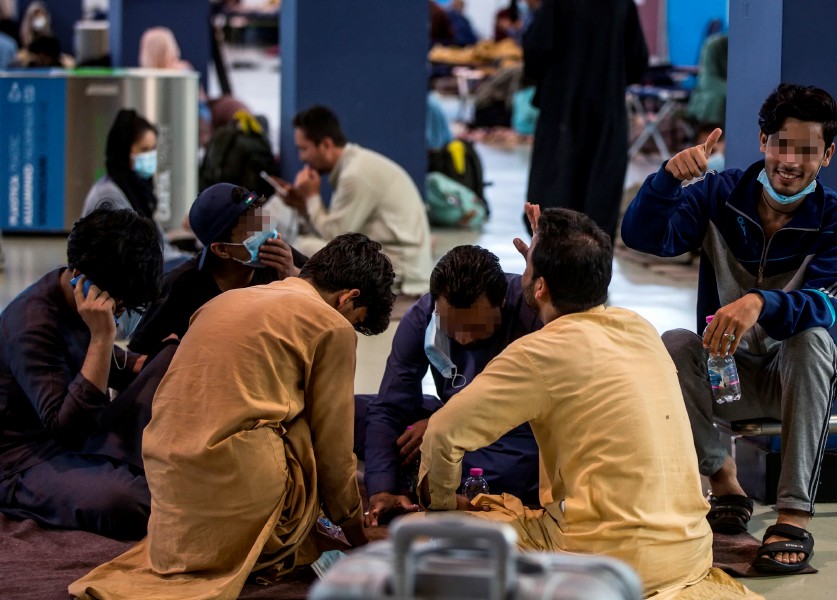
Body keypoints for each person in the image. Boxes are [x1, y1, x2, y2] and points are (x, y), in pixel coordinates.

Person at [418, 206, 759, 598]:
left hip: (605, 566)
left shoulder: (536, 353)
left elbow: (442, 434)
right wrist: (547, 258)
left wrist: (442, 505)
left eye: (530, 261)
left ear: (541, 287)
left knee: (437, 538)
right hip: (691, 554)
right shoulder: (640, 328)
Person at [69, 233, 396, 600]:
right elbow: (333, 450)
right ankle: (270, 543)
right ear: (349, 298)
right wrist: (355, 532)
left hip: (166, 490)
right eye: (355, 319)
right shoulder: (331, 325)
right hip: (234, 485)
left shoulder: (223, 300)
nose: (349, 326)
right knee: (308, 425)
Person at [621, 83, 837, 574]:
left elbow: (828, 302)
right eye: (781, 144)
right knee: (672, 344)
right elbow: (643, 236)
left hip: (788, 381)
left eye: (807, 150)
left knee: (814, 342)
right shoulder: (718, 194)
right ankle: (726, 482)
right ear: (762, 142)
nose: (790, 161)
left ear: (828, 155)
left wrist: (759, 301)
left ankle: (794, 515)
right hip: (722, 373)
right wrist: (667, 179)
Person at [0, 208, 164, 540]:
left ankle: (152, 470)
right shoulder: (30, 325)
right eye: (120, 303)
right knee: (128, 501)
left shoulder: (77, 294)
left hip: (87, 428)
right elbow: (67, 430)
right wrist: (103, 336)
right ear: (88, 282)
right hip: (27, 459)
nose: (120, 310)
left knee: (172, 363)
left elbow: (116, 363)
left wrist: (154, 364)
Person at [364, 245, 542, 526]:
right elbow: (390, 406)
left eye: (476, 328)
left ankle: (424, 481)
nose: (464, 339)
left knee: (508, 471)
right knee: (357, 415)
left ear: (502, 303)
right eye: (452, 327)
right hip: (448, 420)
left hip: (515, 435)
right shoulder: (421, 317)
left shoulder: (533, 316)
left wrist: (443, 426)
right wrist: (380, 489)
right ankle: (401, 488)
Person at [128, 183, 308, 358]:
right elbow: (137, 356)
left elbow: (331, 302)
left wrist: (293, 276)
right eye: (252, 230)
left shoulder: (281, 259)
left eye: (261, 219)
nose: (265, 232)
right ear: (221, 249)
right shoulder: (180, 287)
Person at [523, 0, 647, 242]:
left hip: (562, 114)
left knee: (554, 209)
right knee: (598, 216)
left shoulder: (556, 5)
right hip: (607, 116)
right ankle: (594, 273)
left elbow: (535, 52)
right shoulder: (622, 5)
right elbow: (638, 61)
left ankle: (549, 275)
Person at [275, 105, 432, 296]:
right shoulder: (352, 167)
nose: (302, 157)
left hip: (402, 272)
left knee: (304, 246)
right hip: (397, 261)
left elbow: (335, 237)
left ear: (326, 144)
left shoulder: (355, 175)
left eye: (304, 148)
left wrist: (311, 197)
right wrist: (302, 206)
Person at [82, 108, 189, 268]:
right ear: (124, 151)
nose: (150, 156)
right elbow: (135, 253)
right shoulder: (108, 194)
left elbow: (158, 244)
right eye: (144, 150)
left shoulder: (135, 189)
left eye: (153, 149)